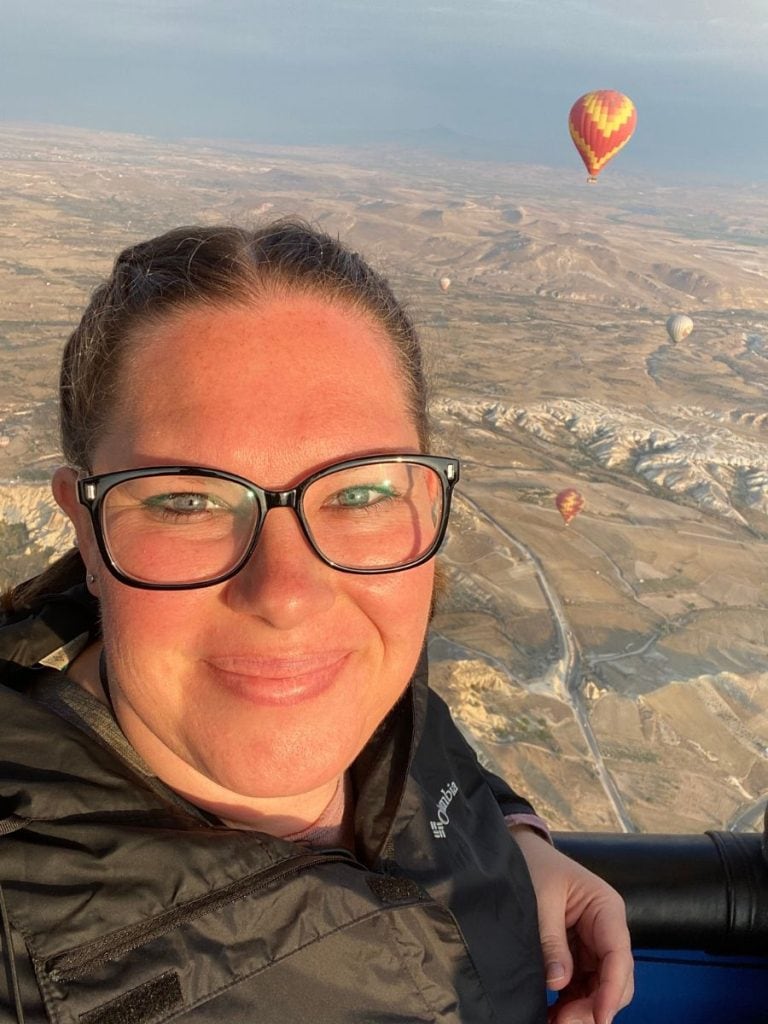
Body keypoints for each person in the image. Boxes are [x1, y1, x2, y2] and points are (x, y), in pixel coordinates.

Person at [0, 221, 633, 1024]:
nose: (288, 593)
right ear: (85, 530)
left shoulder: (371, 674)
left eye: (361, 493)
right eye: (187, 500)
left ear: (425, 506)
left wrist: (512, 839)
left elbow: (416, 737)